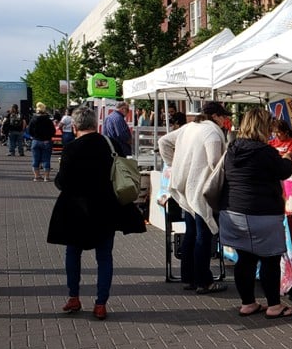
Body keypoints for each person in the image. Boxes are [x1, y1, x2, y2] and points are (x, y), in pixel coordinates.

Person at [47, 107, 146, 320]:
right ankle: (101, 303)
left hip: (76, 209)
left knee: (73, 253)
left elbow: (62, 182)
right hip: (106, 208)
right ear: (95, 125)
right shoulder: (110, 145)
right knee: (104, 257)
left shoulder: (71, 148)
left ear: (74, 127)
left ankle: (74, 297)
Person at [218, 108, 292, 318]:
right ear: (262, 126)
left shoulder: (232, 149)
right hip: (263, 213)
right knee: (270, 259)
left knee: (245, 259)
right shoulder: (265, 152)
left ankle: (248, 303)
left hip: (232, 212)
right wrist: (288, 157)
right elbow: (284, 170)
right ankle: (274, 306)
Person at [158, 101, 231, 294]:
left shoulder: (189, 127)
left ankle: (188, 277)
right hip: (201, 187)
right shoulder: (213, 132)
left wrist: (173, 165)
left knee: (191, 232)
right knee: (203, 236)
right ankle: (203, 281)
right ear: (215, 116)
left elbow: (163, 142)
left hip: (184, 186)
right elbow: (215, 163)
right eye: (223, 116)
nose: (225, 121)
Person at [28, 102, 55, 182]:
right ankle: (46, 177)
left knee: (35, 159)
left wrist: (34, 136)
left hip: (36, 141)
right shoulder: (48, 120)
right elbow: (53, 131)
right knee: (46, 159)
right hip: (46, 141)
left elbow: (29, 130)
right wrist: (48, 136)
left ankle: (37, 176)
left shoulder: (33, 119)